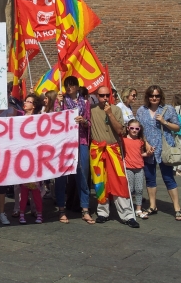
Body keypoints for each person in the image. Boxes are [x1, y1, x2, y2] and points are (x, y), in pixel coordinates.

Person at [91, 86, 139, 228]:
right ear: (97, 96)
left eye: (107, 95)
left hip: (113, 149)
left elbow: (120, 131)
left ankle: (127, 215)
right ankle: (103, 212)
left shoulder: (116, 110)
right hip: (98, 150)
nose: (105, 98)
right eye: (102, 95)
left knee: (119, 181)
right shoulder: (91, 110)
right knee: (100, 182)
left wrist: (110, 114)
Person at [136, 85, 181, 221]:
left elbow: (177, 127)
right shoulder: (141, 110)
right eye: (151, 96)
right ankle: (153, 206)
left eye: (157, 96)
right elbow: (139, 129)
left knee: (168, 178)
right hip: (149, 149)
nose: (154, 98)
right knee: (150, 178)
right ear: (147, 97)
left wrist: (164, 122)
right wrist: (145, 143)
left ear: (160, 96)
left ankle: (177, 208)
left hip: (165, 148)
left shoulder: (168, 109)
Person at [57, 77, 93, 225]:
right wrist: (58, 105)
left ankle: (85, 209)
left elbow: (89, 122)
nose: (69, 88)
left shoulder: (85, 103)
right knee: (61, 176)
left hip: (81, 141)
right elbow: (54, 119)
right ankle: (61, 209)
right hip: (64, 143)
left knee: (82, 175)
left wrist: (83, 121)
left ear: (77, 87)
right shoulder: (61, 101)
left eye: (72, 85)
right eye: (67, 85)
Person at [12, 94, 43, 218]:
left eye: (29, 101)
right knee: (18, 184)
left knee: (34, 183)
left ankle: (35, 208)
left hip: (34, 155)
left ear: (34, 106)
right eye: (25, 100)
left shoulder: (39, 119)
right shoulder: (19, 116)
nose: (25, 103)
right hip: (20, 154)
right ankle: (17, 208)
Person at [122, 119, 150, 220]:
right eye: (132, 128)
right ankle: (128, 208)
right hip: (128, 167)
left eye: (137, 128)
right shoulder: (123, 140)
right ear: (128, 128)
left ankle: (138, 209)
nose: (134, 130)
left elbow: (141, 153)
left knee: (139, 189)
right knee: (130, 189)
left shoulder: (140, 141)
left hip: (139, 167)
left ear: (139, 129)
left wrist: (148, 154)